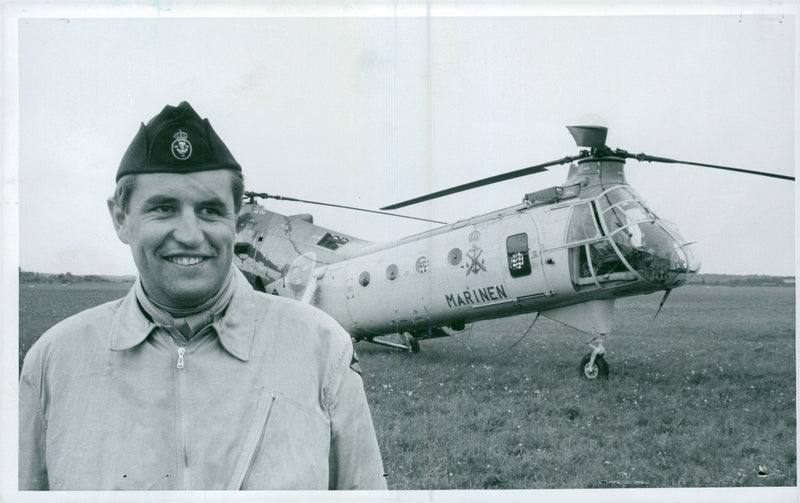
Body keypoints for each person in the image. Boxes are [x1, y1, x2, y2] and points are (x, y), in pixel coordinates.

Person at [18, 102, 387, 490]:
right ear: (121, 219)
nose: (191, 235)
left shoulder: (322, 350)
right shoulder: (52, 363)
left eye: (210, 210)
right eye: (164, 208)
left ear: (236, 219)